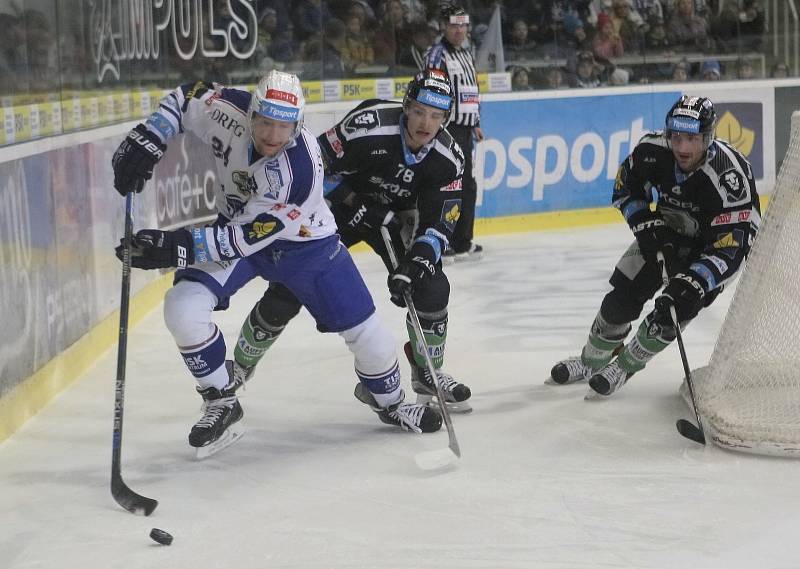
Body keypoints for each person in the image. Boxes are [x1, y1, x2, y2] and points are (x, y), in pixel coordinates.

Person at [110, 71, 443, 456]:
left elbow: (245, 238)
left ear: (298, 124)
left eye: (284, 126)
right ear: (250, 113)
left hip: (306, 247)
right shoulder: (227, 111)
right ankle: (221, 399)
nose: (272, 134)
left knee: (373, 342)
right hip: (238, 231)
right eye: (265, 121)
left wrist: (176, 247)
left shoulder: (299, 169)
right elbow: (186, 96)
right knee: (182, 308)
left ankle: (392, 403)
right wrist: (152, 133)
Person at [233, 69, 474, 413]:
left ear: (446, 119)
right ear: (406, 106)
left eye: (436, 116)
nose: (425, 123)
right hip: (336, 209)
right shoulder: (368, 124)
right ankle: (239, 367)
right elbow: (314, 165)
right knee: (288, 288)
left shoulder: (450, 158)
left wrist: (418, 261)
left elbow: (439, 222)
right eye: (419, 111)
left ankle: (427, 373)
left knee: (430, 287)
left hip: (396, 220)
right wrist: (355, 203)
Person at [548, 95, 761, 397]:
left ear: (708, 137)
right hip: (669, 230)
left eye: (691, 138)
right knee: (620, 298)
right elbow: (625, 190)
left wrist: (695, 281)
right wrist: (649, 229)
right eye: (676, 137)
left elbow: (732, 247)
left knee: (675, 308)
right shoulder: (651, 151)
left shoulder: (729, 176)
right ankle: (591, 361)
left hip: (717, 248)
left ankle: (623, 367)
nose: (682, 148)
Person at [424, 1, 485, 263]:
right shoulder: (437, 54)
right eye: (454, 25)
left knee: (467, 186)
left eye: (463, 25)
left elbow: (470, 90)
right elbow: (430, 91)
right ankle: (443, 241)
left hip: (464, 129)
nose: (459, 30)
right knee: (445, 184)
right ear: (443, 27)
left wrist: (475, 122)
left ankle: (462, 241)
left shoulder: (466, 53)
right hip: (445, 129)